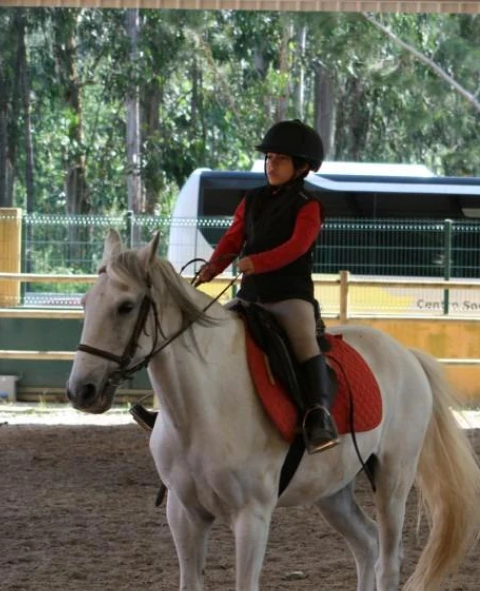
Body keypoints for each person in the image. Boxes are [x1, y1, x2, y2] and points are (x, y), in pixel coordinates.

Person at [132, 119, 339, 454]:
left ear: (301, 167)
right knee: (203, 336)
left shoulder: (309, 205)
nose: (271, 164)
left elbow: (297, 247)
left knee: (304, 345)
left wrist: (258, 262)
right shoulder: (252, 199)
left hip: (290, 298)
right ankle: (174, 413)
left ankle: (319, 417)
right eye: (269, 157)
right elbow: (232, 238)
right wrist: (212, 268)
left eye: (280, 159)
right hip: (251, 296)